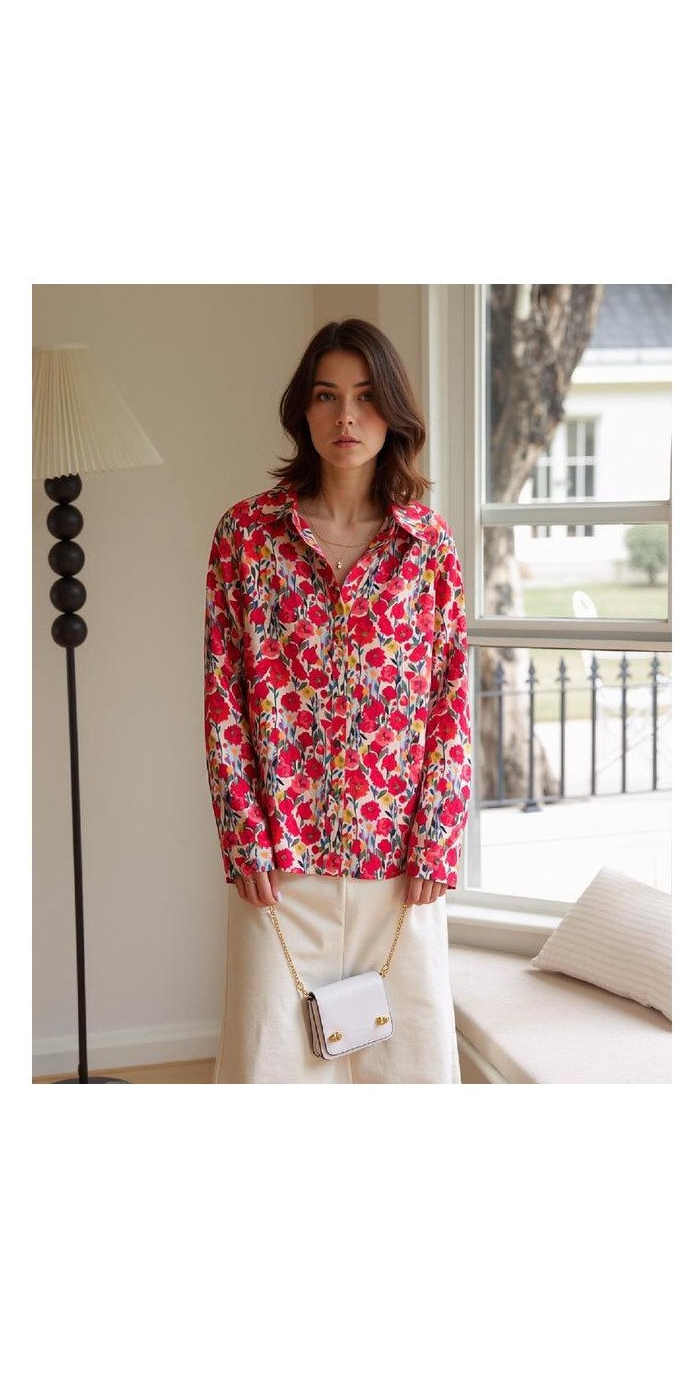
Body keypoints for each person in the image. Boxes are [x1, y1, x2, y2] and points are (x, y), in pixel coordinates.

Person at [203, 318, 472, 1083]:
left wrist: (437, 839)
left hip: (399, 866)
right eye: (327, 396)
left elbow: (451, 701)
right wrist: (243, 837)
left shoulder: (428, 546)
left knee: (407, 1073)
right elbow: (223, 697)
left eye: (364, 396)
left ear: (393, 413)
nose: (345, 417)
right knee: (270, 1068)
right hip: (281, 867)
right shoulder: (246, 537)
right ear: (304, 409)